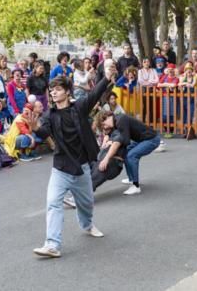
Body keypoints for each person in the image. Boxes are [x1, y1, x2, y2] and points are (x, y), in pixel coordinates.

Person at [30, 66, 116, 258]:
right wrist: (35, 127)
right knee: (53, 203)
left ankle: (87, 225)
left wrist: (106, 78)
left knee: (86, 204)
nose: (53, 92)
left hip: (82, 168)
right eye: (52, 90)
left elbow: (94, 94)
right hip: (60, 169)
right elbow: (43, 132)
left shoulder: (78, 108)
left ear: (67, 92)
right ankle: (52, 244)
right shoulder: (50, 115)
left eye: (58, 89)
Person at [96, 111, 160, 195]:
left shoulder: (120, 120)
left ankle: (136, 186)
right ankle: (131, 179)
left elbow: (126, 141)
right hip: (142, 140)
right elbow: (109, 135)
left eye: (104, 125)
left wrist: (111, 142)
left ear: (107, 117)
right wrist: (106, 142)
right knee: (127, 153)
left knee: (131, 156)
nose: (105, 127)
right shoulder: (115, 121)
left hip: (151, 139)